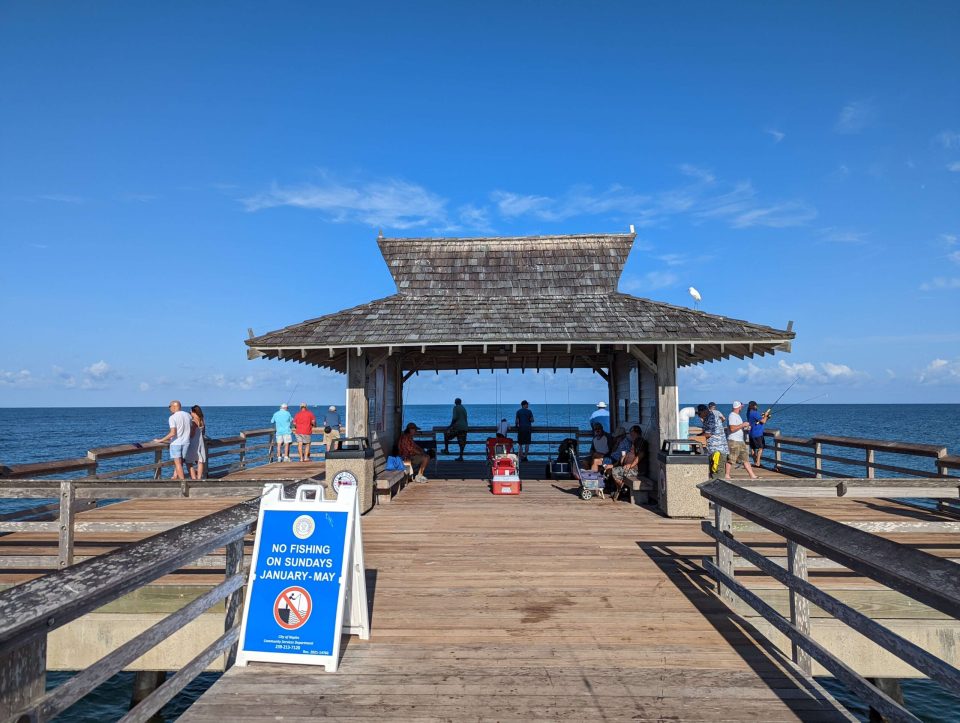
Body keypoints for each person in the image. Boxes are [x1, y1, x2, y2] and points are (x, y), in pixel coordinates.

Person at [153, 400, 192, 480]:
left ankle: (182, 482)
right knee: (182, 462)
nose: (169, 409)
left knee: (178, 464)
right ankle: (175, 477)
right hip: (186, 442)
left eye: (169, 407)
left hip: (176, 443)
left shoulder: (172, 417)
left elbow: (173, 433)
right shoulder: (188, 415)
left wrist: (160, 440)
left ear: (174, 406)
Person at [697, 403, 730, 479]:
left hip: (718, 450)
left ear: (704, 411)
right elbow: (706, 431)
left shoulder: (712, 418)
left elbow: (708, 434)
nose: (698, 416)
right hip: (712, 450)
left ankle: (720, 490)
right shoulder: (707, 418)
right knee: (713, 474)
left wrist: (696, 438)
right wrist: (699, 436)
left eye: (699, 413)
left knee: (718, 476)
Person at [727, 401, 757, 480]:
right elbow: (732, 428)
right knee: (731, 459)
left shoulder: (738, 416)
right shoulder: (732, 415)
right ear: (738, 407)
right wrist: (743, 425)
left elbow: (738, 427)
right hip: (733, 440)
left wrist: (745, 427)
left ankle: (752, 475)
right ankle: (727, 475)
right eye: (741, 406)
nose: (742, 408)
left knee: (745, 459)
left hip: (740, 440)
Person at [185, 405, 207, 480]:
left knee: (188, 461)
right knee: (200, 461)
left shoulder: (194, 422)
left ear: (194, 412)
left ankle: (194, 478)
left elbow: (192, 434)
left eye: (191, 411)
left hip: (193, 442)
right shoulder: (202, 420)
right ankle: (199, 477)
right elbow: (203, 432)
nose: (190, 413)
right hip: (200, 441)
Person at [747, 401, 770, 467]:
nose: (757, 407)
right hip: (758, 433)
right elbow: (763, 421)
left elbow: (759, 421)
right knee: (760, 448)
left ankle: (755, 462)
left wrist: (764, 417)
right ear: (754, 406)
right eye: (756, 406)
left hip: (751, 433)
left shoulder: (748, 413)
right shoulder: (755, 413)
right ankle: (758, 463)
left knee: (753, 448)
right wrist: (765, 416)